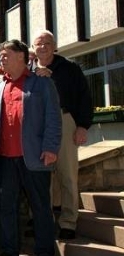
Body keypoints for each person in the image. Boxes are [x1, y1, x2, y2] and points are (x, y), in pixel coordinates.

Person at [0, 39, 61, 256]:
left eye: (5, 54)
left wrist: (51, 147)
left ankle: (45, 253)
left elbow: (53, 118)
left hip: (34, 156)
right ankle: (9, 250)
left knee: (41, 206)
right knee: (6, 206)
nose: (1, 58)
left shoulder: (42, 82)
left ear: (21, 57)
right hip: (5, 158)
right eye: (0, 55)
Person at [32, 30, 92, 240]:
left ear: (55, 46)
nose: (43, 47)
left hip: (64, 120)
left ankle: (68, 222)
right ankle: (42, 220)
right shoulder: (28, 70)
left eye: (48, 43)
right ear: (33, 48)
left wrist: (83, 126)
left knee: (67, 173)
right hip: (37, 126)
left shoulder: (69, 68)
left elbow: (84, 97)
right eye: (39, 43)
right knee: (40, 176)